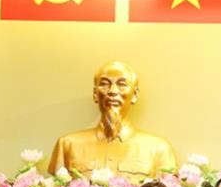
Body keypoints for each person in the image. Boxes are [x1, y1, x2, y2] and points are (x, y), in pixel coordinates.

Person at [48, 61, 177, 178]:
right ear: (95, 94)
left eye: (122, 85)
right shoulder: (68, 144)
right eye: (104, 84)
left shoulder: (158, 148)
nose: (113, 91)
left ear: (134, 95)